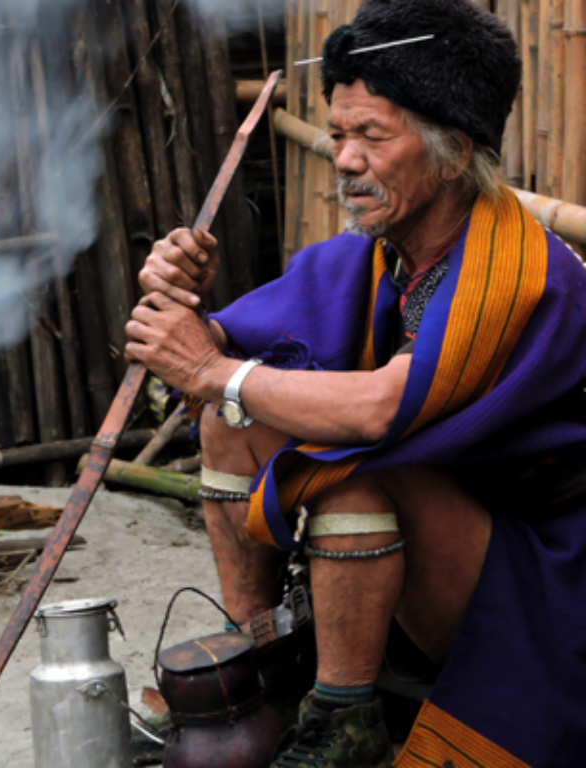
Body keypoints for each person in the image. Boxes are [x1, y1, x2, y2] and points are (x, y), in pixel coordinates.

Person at [126, 1, 586, 766]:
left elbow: (380, 409)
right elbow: (217, 353)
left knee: (348, 461)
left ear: (451, 150)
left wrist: (211, 370)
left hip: (546, 582)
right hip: (464, 537)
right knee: (233, 420)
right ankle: (261, 661)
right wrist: (184, 304)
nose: (343, 159)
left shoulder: (517, 268)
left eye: (372, 135)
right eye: (339, 134)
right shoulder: (378, 252)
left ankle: (343, 719)